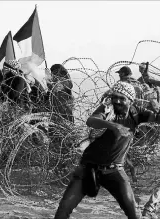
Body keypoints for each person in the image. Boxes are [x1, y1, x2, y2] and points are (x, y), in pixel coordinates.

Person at [54, 81, 160, 219]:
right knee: (64, 207)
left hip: (115, 170)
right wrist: (113, 126)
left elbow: (157, 119)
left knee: (134, 213)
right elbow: (91, 121)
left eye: (122, 98)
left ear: (130, 100)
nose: (117, 101)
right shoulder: (107, 108)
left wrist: (156, 106)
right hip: (89, 168)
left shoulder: (136, 113)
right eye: (115, 97)